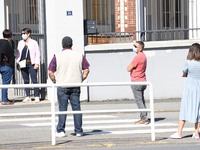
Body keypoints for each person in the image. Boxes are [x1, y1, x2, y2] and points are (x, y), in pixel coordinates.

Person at [48, 36, 90, 137]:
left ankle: (61, 130)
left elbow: (50, 71)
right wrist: (81, 79)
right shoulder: (79, 55)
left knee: (62, 108)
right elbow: (87, 69)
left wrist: (55, 81)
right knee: (77, 108)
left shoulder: (57, 56)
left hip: (62, 85)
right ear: (72, 45)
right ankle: (79, 131)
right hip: (75, 84)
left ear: (62, 45)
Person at [170, 43, 200, 139]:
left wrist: (185, 73)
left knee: (185, 108)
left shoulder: (189, 62)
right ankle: (196, 132)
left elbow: (183, 73)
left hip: (190, 87)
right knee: (198, 109)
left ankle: (179, 132)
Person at [16, 28, 40, 103]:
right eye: (22, 33)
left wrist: (37, 63)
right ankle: (28, 96)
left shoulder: (34, 42)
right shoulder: (20, 43)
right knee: (26, 80)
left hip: (31, 63)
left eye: (24, 33)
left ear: (28, 34)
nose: (23, 35)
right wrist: (17, 63)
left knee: (34, 80)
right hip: (23, 63)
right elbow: (18, 53)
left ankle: (36, 96)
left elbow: (37, 53)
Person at [127, 41, 148, 125]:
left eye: (135, 46)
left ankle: (144, 118)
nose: (134, 47)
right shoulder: (143, 56)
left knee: (139, 101)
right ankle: (143, 117)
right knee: (141, 100)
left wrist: (131, 69)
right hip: (142, 80)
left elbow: (128, 68)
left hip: (137, 81)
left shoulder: (138, 57)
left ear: (140, 48)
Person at [0, 29, 15, 105]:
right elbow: (3, 51)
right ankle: (4, 100)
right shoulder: (6, 43)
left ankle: (5, 98)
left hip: (1, 65)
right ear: (10, 36)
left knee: (4, 83)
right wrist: (5, 56)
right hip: (7, 65)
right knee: (5, 83)